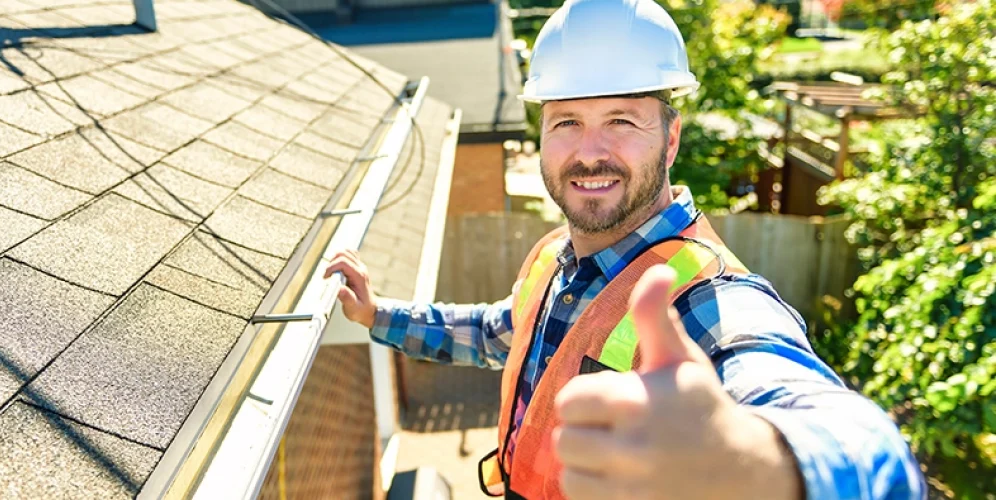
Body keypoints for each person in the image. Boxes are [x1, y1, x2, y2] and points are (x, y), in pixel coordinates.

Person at [325, 0, 926, 497]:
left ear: (669, 141)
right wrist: (379, 315)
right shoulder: (555, 257)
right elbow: (499, 333)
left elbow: (866, 448)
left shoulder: (704, 298)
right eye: (566, 122)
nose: (590, 152)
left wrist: (757, 463)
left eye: (621, 121)